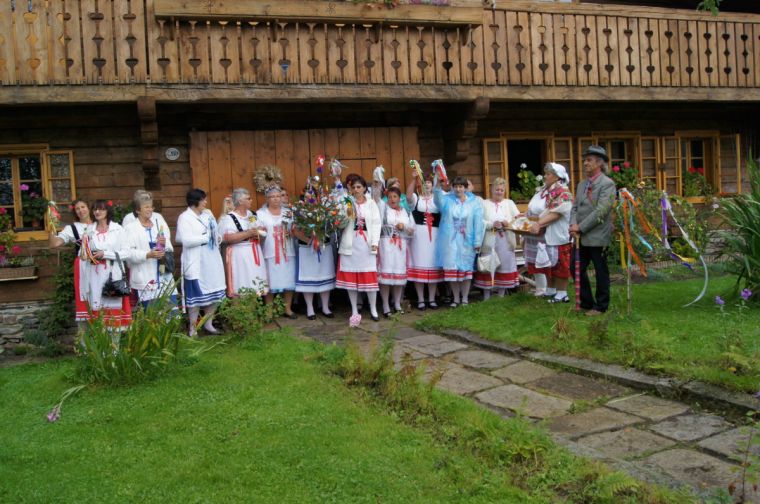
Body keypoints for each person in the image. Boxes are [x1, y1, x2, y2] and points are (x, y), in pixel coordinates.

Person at [570, 146, 616, 316]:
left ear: (599, 163)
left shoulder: (607, 184)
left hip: (598, 236)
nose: (585, 163)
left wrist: (580, 227)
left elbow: (601, 211)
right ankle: (586, 302)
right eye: (585, 160)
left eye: (589, 160)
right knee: (575, 267)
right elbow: (574, 207)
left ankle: (601, 306)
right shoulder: (582, 184)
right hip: (580, 236)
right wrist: (573, 225)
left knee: (600, 270)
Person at [176, 188, 226, 336]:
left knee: (215, 292)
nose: (205, 202)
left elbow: (215, 232)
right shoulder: (185, 217)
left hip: (212, 259)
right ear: (195, 202)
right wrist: (205, 237)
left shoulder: (207, 214)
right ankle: (193, 328)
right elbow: (184, 240)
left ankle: (208, 324)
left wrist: (216, 237)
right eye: (203, 199)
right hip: (196, 260)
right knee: (196, 297)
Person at [336, 174, 382, 322]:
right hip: (351, 243)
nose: (356, 189)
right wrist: (345, 216)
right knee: (351, 280)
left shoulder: (371, 203)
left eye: (359, 187)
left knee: (369, 278)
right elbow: (340, 224)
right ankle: (354, 310)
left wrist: (375, 242)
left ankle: (373, 309)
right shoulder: (347, 202)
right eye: (354, 187)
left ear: (364, 188)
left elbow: (376, 224)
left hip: (366, 244)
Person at [79, 200, 131, 329]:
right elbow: (82, 253)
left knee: (113, 316)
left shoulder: (117, 229)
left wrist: (105, 254)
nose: (97, 212)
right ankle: (101, 342)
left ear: (108, 211)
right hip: (95, 275)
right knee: (98, 314)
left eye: (101, 209)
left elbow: (127, 253)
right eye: (95, 209)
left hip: (112, 275)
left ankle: (114, 342)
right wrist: (85, 254)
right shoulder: (89, 230)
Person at [434, 176, 484, 307]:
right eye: (455, 186)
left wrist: (477, 242)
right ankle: (456, 298)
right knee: (452, 269)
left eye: (461, 186)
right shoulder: (447, 200)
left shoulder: (474, 203)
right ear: (452, 188)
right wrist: (438, 186)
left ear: (465, 188)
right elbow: (437, 200)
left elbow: (478, 223)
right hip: (450, 241)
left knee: (466, 269)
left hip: (467, 241)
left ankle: (465, 298)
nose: (458, 189)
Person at [528, 163, 574, 303]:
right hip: (546, 234)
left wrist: (539, 223)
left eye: (548, 174)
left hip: (558, 234)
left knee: (560, 264)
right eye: (546, 173)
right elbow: (538, 209)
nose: (545, 176)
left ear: (557, 177)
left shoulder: (563, 192)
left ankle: (562, 293)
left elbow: (556, 213)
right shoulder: (544, 191)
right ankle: (551, 289)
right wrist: (525, 216)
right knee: (549, 263)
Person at [123, 191, 177, 308]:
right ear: (138, 210)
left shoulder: (158, 223)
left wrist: (164, 243)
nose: (150, 209)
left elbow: (169, 247)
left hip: (164, 275)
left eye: (151, 207)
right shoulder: (130, 228)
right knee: (153, 314)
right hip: (145, 277)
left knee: (171, 313)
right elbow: (127, 253)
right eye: (146, 207)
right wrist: (147, 255)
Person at [292, 192, 336, 322]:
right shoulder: (298, 213)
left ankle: (325, 307)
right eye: (306, 197)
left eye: (311, 196)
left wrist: (320, 238)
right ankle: (310, 308)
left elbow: (331, 227)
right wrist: (310, 241)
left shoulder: (325, 211)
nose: (309, 199)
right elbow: (294, 231)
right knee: (308, 276)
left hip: (323, 247)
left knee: (324, 274)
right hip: (306, 248)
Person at [473, 177, 520, 299]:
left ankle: (501, 295)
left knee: (504, 263)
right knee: (488, 263)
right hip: (490, 237)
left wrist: (507, 223)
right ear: (492, 189)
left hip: (505, 238)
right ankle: (487, 295)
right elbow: (479, 220)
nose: (499, 192)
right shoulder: (484, 203)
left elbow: (518, 219)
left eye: (501, 190)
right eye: (497, 189)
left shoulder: (509, 203)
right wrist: (491, 224)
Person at [48, 199, 93, 325]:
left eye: (83, 207)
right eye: (77, 209)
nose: (81, 210)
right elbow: (54, 244)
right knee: (85, 296)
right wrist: (51, 225)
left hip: (101, 265)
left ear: (89, 208)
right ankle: (86, 333)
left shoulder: (100, 224)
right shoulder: (72, 228)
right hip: (84, 266)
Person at [218, 188, 269, 297]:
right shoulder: (229, 218)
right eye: (248, 198)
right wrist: (248, 233)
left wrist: (260, 232)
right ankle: (239, 306)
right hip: (239, 254)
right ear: (240, 201)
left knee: (255, 283)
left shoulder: (252, 215)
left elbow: (262, 232)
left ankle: (254, 306)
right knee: (241, 282)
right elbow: (227, 238)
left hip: (254, 252)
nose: (251, 200)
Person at [258, 186, 298, 319]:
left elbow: (294, 229)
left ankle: (287, 308)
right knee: (270, 280)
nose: (276, 199)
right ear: (267, 199)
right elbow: (259, 232)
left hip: (287, 250)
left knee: (288, 278)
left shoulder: (288, 212)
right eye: (272, 197)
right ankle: (269, 310)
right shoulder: (261, 214)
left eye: (278, 196)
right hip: (270, 251)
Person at [406, 172, 443, 310]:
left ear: (432, 185)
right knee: (419, 265)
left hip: (435, 236)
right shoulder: (417, 198)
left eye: (429, 182)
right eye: (424, 182)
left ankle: (432, 299)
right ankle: (421, 299)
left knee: (433, 266)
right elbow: (408, 196)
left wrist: (439, 181)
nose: (426, 185)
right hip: (419, 238)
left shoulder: (437, 198)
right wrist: (414, 178)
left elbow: (441, 203)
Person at [377, 187, 414, 317]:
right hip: (386, 246)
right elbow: (377, 199)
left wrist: (404, 227)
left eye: (395, 197)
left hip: (400, 247)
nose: (392, 199)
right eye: (390, 197)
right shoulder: (384, 210)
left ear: (399, 198)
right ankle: (385, 305)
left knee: (399, 277)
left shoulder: (405, 211)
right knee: (385, 277)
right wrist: (377, 184)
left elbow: (412, 230)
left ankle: (397, 304)